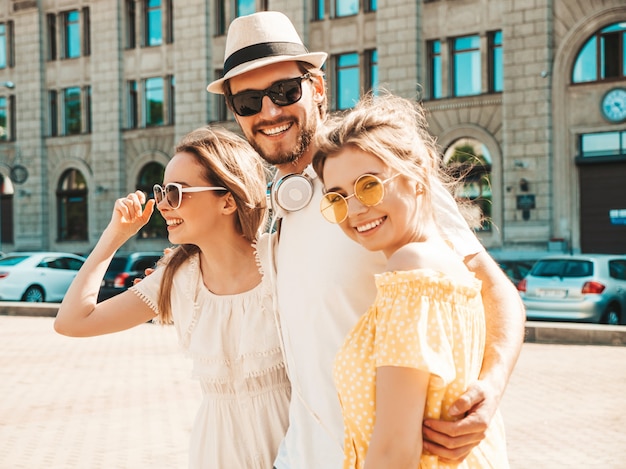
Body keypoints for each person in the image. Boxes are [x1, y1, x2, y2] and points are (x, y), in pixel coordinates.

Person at [206, 11, 525, 468]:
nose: (269, 112)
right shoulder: (278, 206)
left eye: (284, 91)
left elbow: (493, 288)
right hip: (304, 455)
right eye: (249, 102)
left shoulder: (382, 179)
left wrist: (488, 393)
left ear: (317, 88)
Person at [54, 126, 290, 468]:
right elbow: (72, 322)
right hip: (216, 455)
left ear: (226, 199)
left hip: (295, 449)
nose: (163, 204)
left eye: (177, 193)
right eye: (163, 191)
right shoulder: (177, 278)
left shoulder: (281, 258)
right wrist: (114, 236)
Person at [312, 92, 510, 468]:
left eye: (368, 185)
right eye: (336, 198)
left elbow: (394, 451)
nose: (353, 209)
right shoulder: (449, 269)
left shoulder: (411, 268)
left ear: (418, 176)